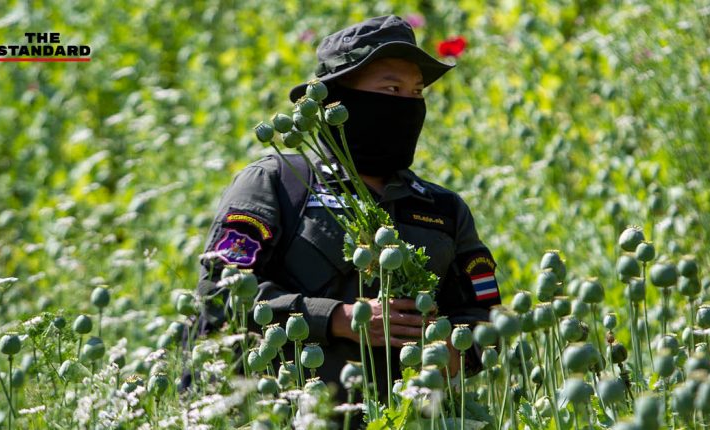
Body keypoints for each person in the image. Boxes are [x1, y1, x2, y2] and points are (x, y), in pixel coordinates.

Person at [195, 14, 502, 401]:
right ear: (336, 99)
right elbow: (219, 293)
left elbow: (486, 316)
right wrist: (338, 319)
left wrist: (452, 352)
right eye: (391, 89)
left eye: (416, 93)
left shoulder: (441, 208)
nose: (407, 105)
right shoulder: (280, 182)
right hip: (279, 414)